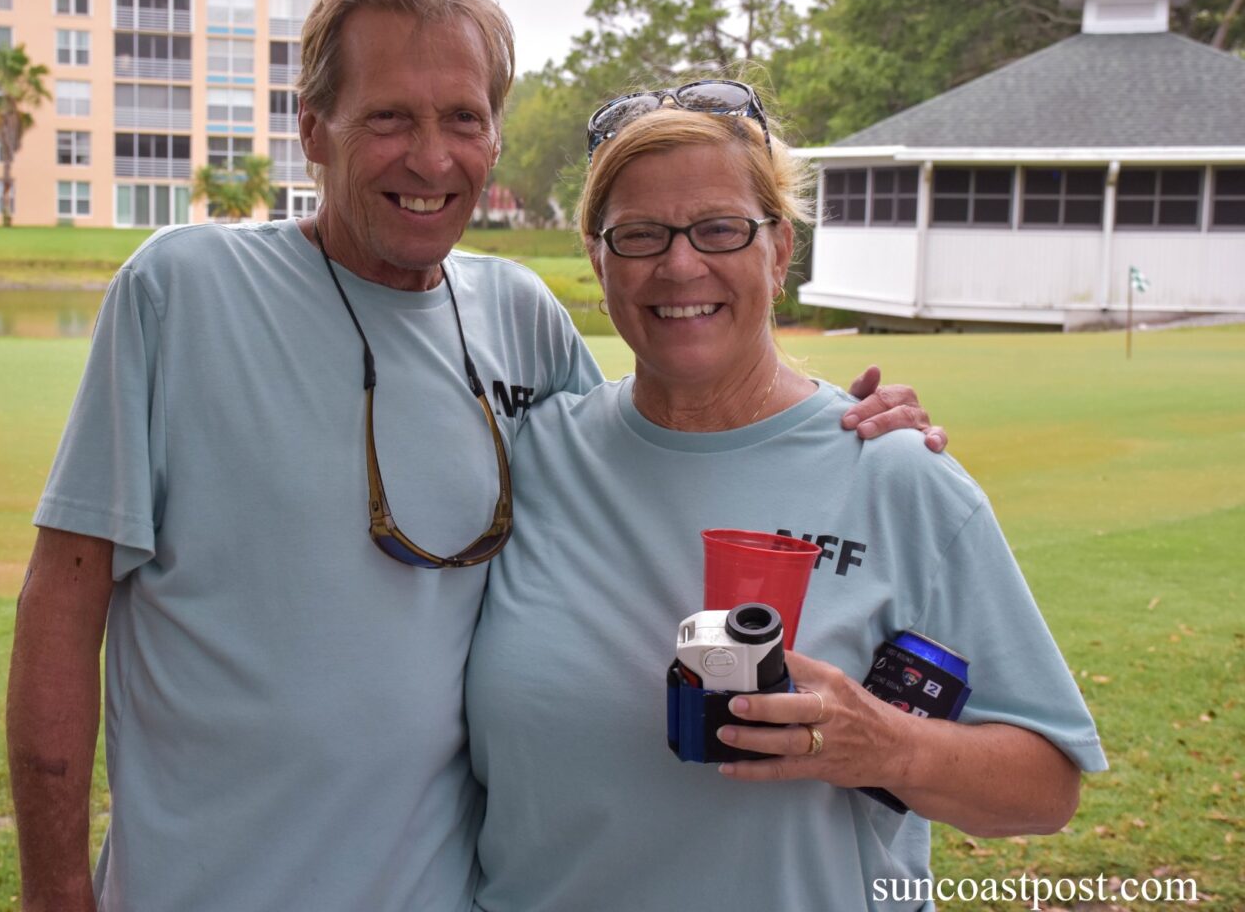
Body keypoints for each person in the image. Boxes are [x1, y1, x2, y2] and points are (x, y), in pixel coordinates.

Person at [5, 0, 939, 912]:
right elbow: (62, 605)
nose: (431, 156)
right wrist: (53, 891)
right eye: (389, 119)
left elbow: (673, 440)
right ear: (312, 129)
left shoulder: (522, 316)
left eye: (462, 118)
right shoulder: (182, 292)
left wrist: (838, 419)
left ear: (495, 137)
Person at [465, 89, 1107, 911]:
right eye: (640, 236)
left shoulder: (894, 475)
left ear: (780, 250)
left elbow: (1047, 788)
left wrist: (886, 747)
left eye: (721, 228)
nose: (680, 264)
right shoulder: (531, 452)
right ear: (599, 259)